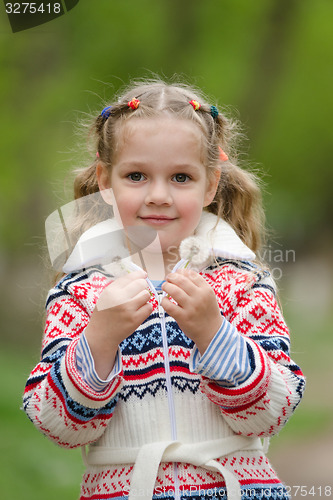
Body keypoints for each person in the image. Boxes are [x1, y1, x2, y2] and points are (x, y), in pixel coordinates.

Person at [23, 79, 305, 500]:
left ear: (210, 185)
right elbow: (57, 425)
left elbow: (271, 413)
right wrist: (99, 338)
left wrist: (214, 335)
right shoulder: (82, 290)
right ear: (105, 180)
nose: (158, 195)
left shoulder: (241, 281)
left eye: (180, 177)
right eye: (136, 175)